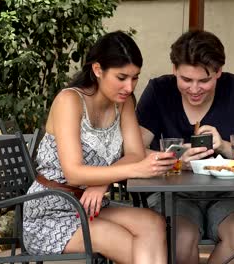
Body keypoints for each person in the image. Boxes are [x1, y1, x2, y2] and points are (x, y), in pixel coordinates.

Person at [23, 31, 175, 264]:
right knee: (133, 247)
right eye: (122, 77)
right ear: (97, 70)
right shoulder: (69, 101)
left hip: (90, 204)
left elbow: (134, 153)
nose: (129, 86)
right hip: (51, 209)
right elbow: (74, 173)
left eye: (135, 78)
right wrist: (135, 170)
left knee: (153, 223)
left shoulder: (123, 103)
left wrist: (102, 182)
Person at [136, 30, 234, 264]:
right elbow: (135, 151)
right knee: (178, 239)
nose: (194, 89)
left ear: (219, 72)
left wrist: (226, 147)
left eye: (204, 81)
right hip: (173, 193)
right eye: (186, 80)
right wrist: (176, 160)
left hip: (233, 193)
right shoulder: (159, 91)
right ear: (174, 70)